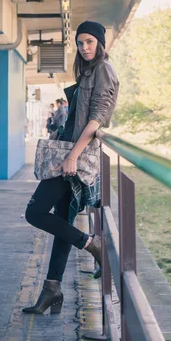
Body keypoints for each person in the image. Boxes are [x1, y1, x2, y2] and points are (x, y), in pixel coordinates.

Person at [23, 20, 119, 315]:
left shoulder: (104, 70)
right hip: (68, 153)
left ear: (100, 43)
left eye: (90, 42)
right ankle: (51, 290)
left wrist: (73, 156)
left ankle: (92, 244)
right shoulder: (89, 70)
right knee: (61, 220)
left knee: (34, 213)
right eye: (80, 43)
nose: (84, 47)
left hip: (73, 159)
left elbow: (97, 118)